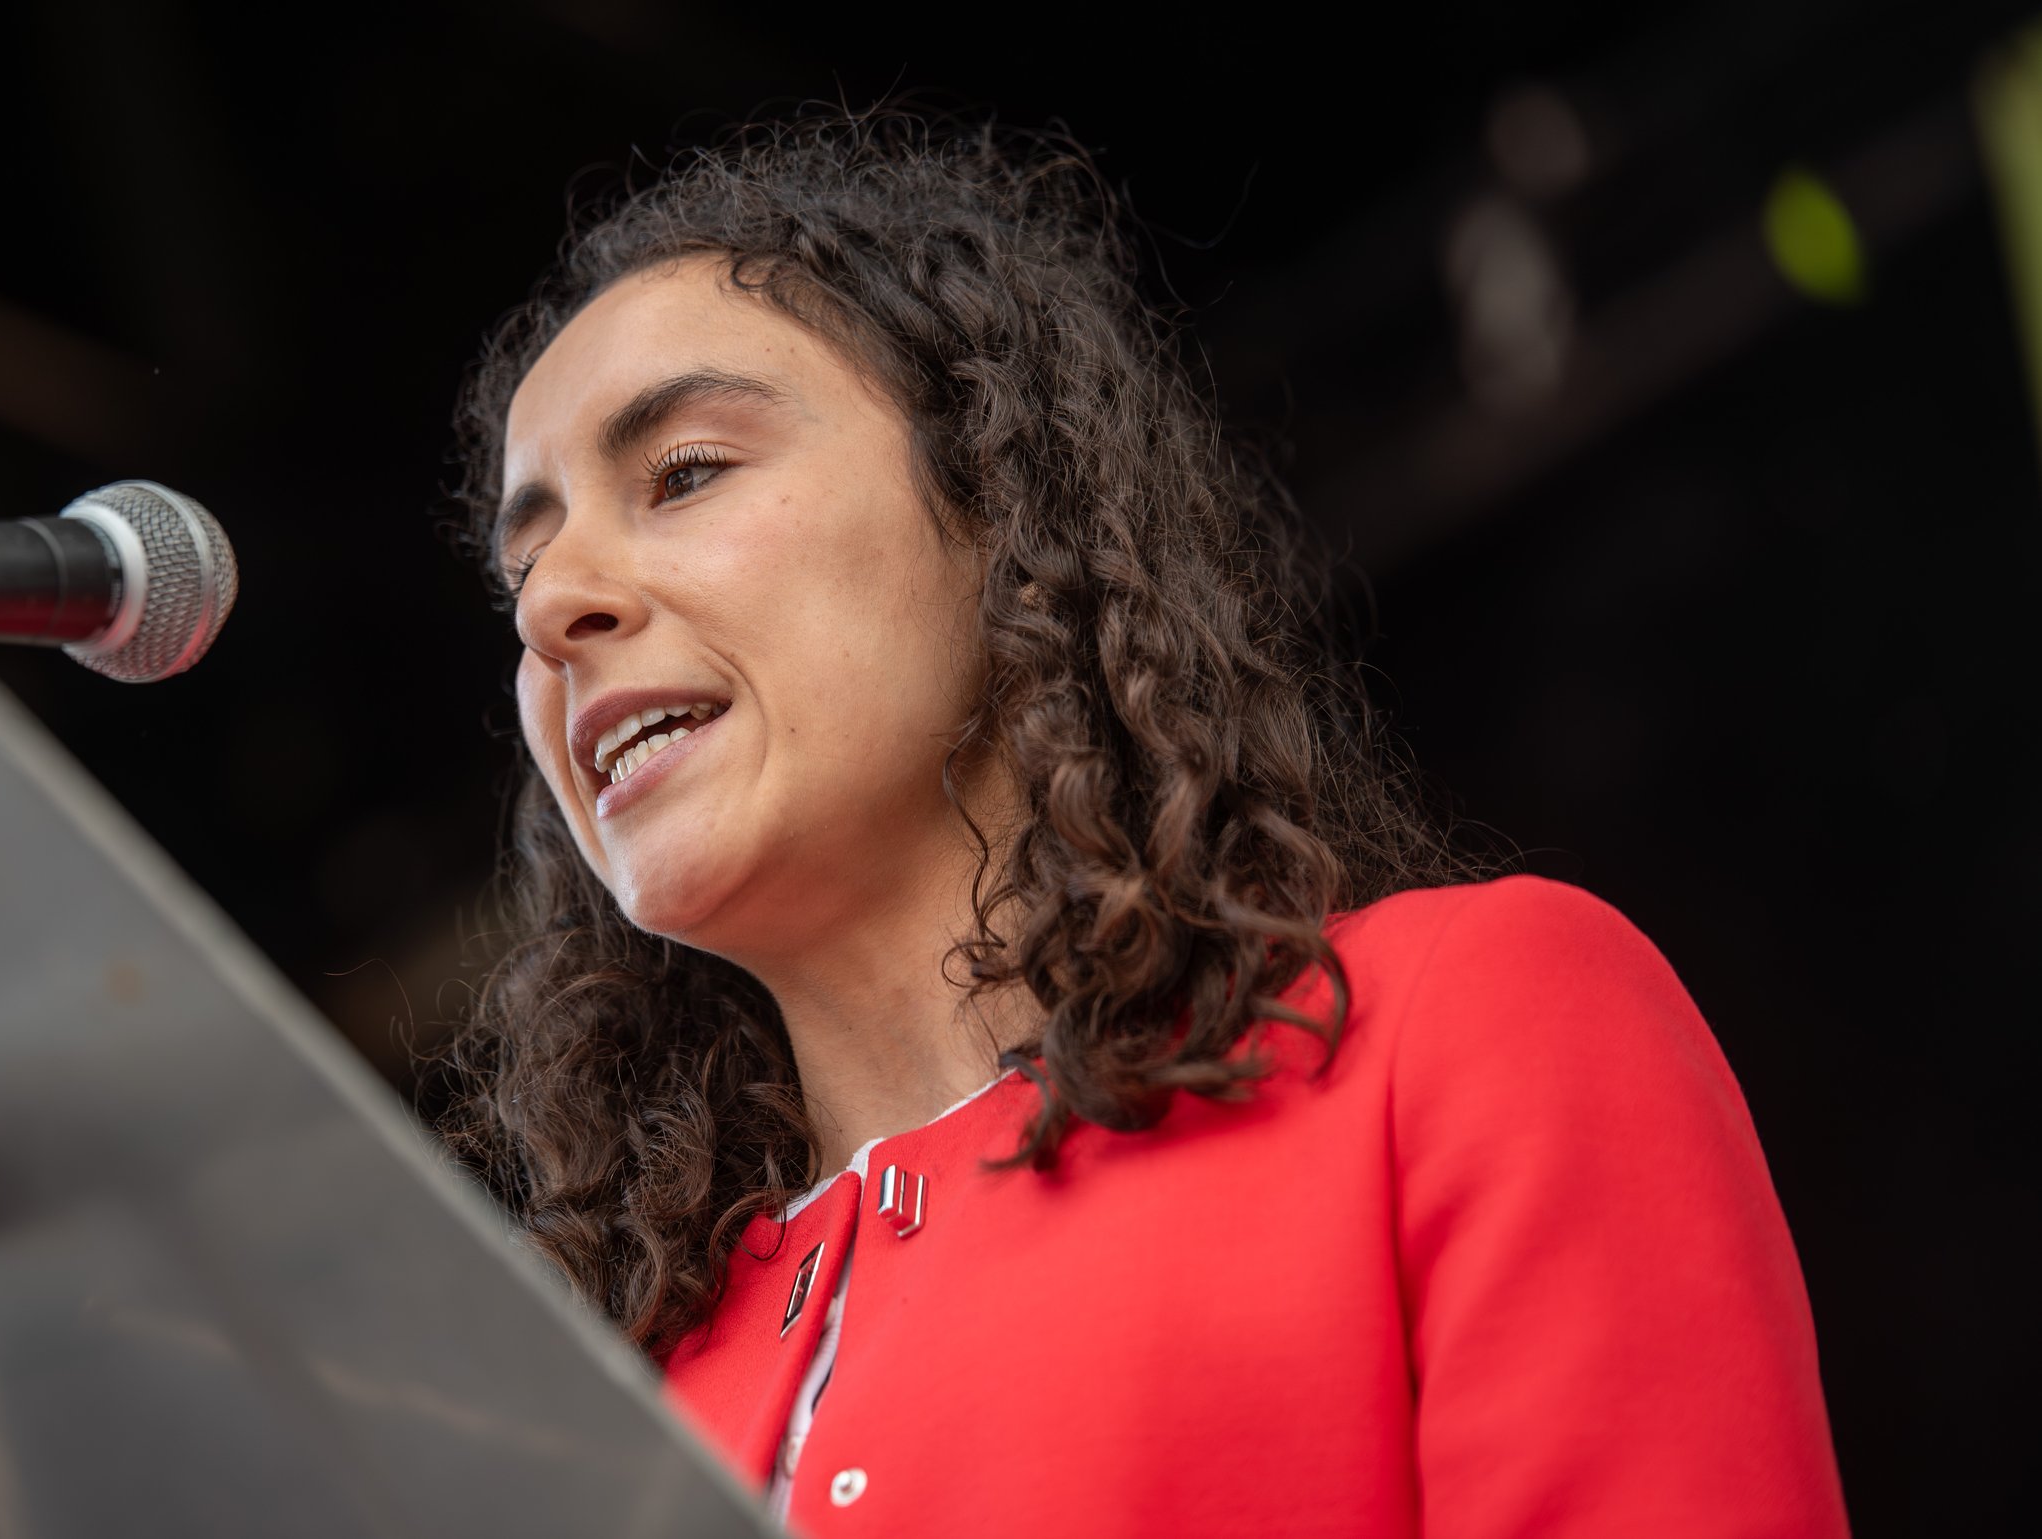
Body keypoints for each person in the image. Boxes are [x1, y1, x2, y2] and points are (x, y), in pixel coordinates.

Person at [438, 114, 1847, 1536]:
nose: (554, 607)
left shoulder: (1450, 1030)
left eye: (685, 472)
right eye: (522, 573)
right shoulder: (587, 1408)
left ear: (1000, 502)